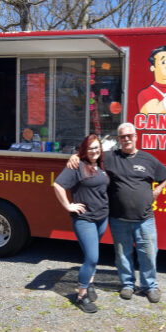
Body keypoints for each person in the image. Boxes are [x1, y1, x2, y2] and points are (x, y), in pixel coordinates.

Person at [68, 123, 166, 303]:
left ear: (136, 136)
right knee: (122, 255)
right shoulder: (110, 157)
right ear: (118, 139)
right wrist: (74, 156)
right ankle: (128, 285)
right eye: (122, 137)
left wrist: (158, 190)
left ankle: (150, 287)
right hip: (118, 218)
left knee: (148, 253)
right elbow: (91, 155)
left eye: (129, 136)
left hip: (145, 218)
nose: (126, 139)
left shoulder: (148, 159)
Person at [53, 134, 109, 313]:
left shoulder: (101, 165)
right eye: (91, 148)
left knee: (90, 256)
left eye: (97, 147)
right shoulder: (77, 165)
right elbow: (58, 185)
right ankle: (81, 296)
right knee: (92, 257)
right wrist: (68, 205)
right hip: (85, 220)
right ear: (85, 150)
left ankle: (89, 284)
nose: (95, 151)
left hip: (102, 217)